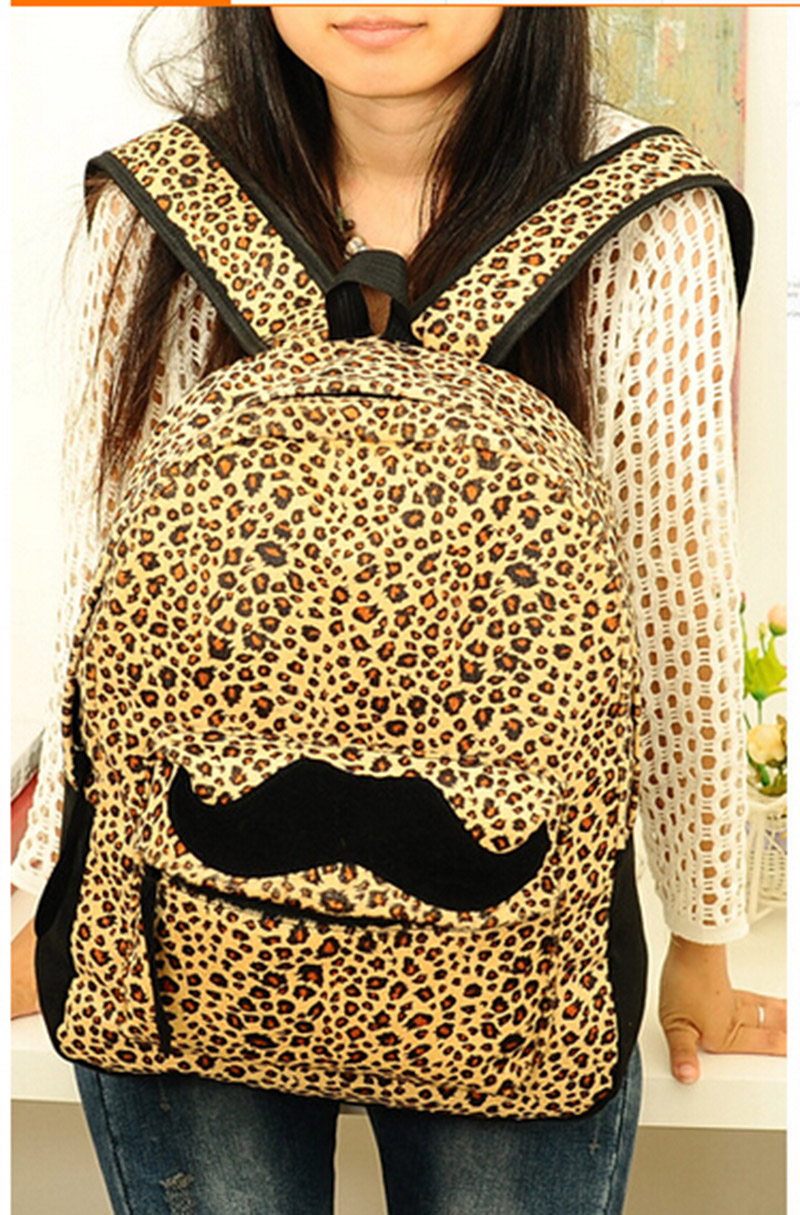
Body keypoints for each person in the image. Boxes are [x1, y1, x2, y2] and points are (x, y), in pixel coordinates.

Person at [11, 7, 786, 1213]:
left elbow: (673, 602)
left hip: (513, 941)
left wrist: (699, 937)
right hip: (178, 903)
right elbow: (98, 597)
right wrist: (49, 889)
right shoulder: (156, 202)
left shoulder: (642, 212)